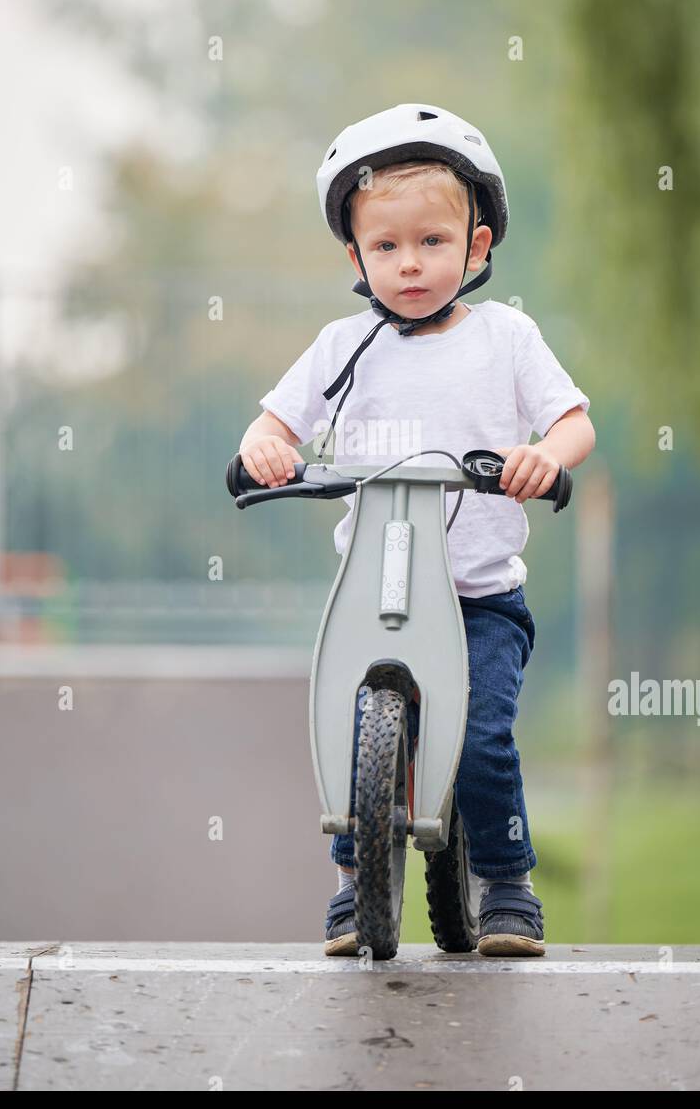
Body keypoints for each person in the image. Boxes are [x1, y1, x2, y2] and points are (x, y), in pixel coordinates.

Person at [238, 102, 596, 956]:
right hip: (373, 592)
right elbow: (275, 425)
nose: (409, 264)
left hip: (478, 599)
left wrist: (545, 454)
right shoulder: (341, 345)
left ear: (476, 247)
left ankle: (506, 882)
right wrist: (264, 448)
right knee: (354, 722)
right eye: (387, 246)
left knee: (479, 741)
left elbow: (574, 420)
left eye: (432, 242)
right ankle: (354, 881)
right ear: (356, 256)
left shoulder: (507, 338)